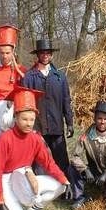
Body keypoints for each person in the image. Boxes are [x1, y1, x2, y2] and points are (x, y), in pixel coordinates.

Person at [0, 86, 72, 210]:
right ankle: (8, 205)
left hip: (23, 176)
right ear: (15, 117)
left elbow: (48, 162)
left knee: (60, 186)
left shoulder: (35, 138)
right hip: (4, 179)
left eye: (32, 119)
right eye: (24, 119)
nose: (28, 123)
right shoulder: (3, 140)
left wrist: (64, 179)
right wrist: (0, 200)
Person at [0, 24, 27, 199]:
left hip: (15, 111)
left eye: (8, 53)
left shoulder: (22, 71)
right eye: (2, 53)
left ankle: (16, 189)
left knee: (14, 151)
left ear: (13, 51)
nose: (5, 56)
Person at [21, 39, 74, 178]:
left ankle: (66, 188)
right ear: (37, 55)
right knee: (38, 161)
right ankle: (39, 191)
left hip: (56, 125)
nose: (45, 55)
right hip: (37, 127)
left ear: (51, 55)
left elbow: (66, 101)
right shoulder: (28, 77)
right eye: (42, 53)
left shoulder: (60, 77)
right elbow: (24, 105)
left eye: (48, 53)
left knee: (61, 159)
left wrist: (69, 122)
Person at [68, 101, 106, 209]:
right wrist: (85, 170)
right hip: (93, 172)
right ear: (94, 118)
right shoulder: (86, 136)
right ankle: (79, 197)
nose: (102, 122)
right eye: (99, 118)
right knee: (72, 168)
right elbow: (75, 156)